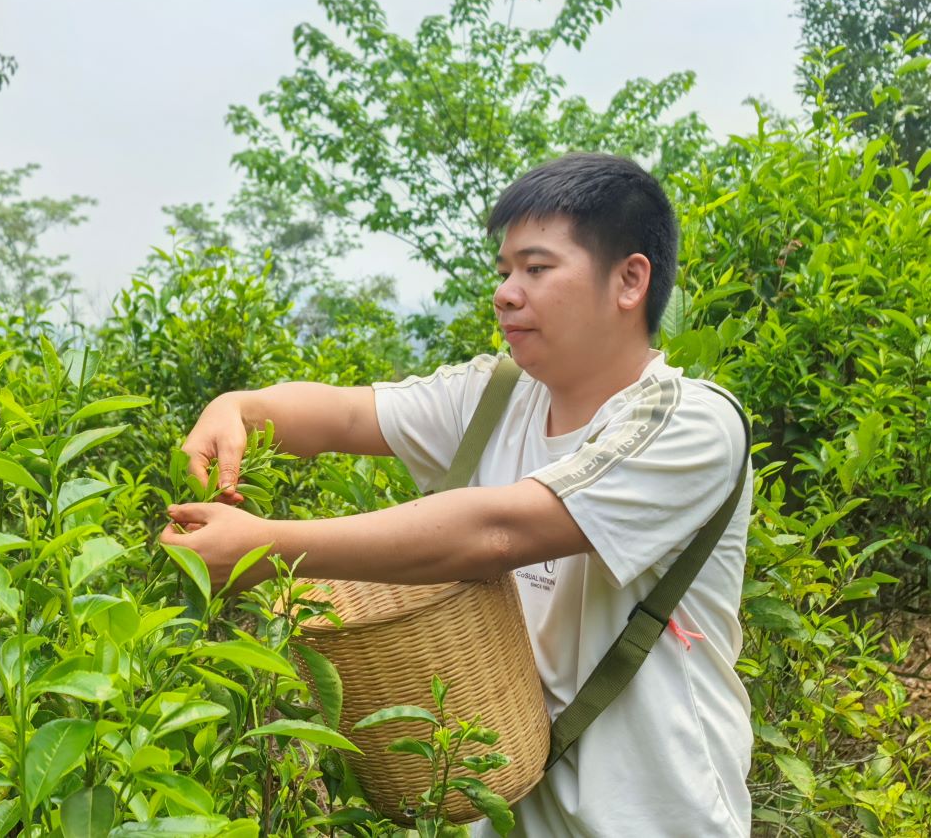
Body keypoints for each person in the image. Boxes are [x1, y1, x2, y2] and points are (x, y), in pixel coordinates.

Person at [161, 152, 753, 836]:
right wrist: (238, 407)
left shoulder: (691, 423)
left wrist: (269, 548)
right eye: (504, 272)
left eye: (536, 268)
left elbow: (496, 533)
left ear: (629, 280)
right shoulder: (495, 395)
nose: (506, 294)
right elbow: (343, 415)